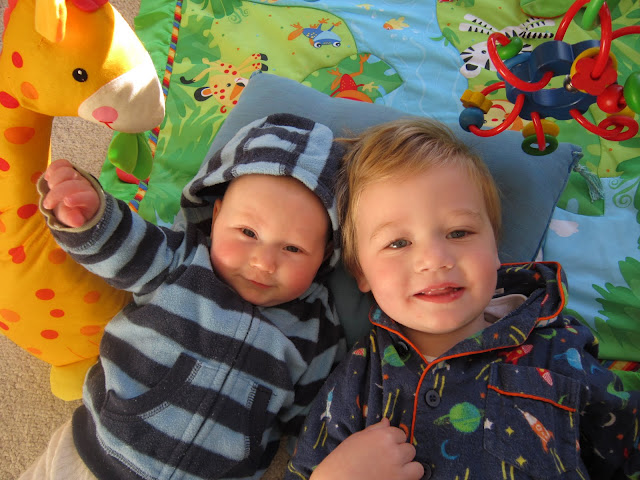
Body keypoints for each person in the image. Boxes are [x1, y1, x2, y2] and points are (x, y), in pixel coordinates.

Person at [285, 117, 640, 480]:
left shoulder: (558, 349)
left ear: (495, 248)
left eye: (459, 232)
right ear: (360, 272)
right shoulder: (358, 377)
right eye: (398, 243)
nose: (435, 259)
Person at [23, 113, 347, 480]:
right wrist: (91, 217)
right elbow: (124, 246)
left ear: (325, 254)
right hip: (97, 451)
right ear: (216, 215)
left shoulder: (318, 332)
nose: (263, 262)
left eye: (292, 248)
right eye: (247, 232)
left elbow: (318, 419)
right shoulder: (182, 260)